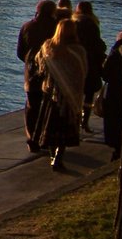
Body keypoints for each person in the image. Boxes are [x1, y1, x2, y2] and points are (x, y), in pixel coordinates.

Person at [30, 17, 87, 170]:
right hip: (69, 96)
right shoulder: (78, 51)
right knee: (64, 128)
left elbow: (39, 66)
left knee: (50, 127)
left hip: (50, 93)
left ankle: (51, 155)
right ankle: (58, 157)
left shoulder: (47, 47)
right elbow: (82, 73)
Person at [17, 0, 58, 152]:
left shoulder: (27, 27)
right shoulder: (56, 27)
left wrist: (29, 62)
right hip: (51, 73)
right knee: (48, 106)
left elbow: (20, 52)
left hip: (32, 72)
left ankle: (31, 139)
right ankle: (45, 137)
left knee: (31, 106)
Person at [72, 0, 107, 132]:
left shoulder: (73, 23)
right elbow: (98, 45)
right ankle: (84, 121)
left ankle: (74, 121)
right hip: (90, 64)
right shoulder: (92, 24)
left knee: (76, 94)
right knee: (88, 94)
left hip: (77, 64)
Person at [101, 30, 122, 161]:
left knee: (113, 121)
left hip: (113, 92)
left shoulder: (115, 53)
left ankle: (115, 147)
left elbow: (105, 73)